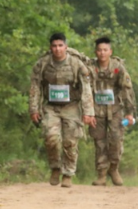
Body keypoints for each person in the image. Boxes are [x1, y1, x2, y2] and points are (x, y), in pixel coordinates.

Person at [29, 33, 95, 188]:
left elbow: (86, 89)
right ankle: (55, 168)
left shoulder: (77, 64)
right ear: (50, 48)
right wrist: (33, 109)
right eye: (54, 46)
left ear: (66, 47)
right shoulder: (43, 64)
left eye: (60, 46)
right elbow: (35, 87)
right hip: (51, 106)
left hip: (71, 106)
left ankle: (68, 174)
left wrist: (88, 112)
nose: (57, 49)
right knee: (51, 138)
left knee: (70, 141)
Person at [87, 36, 136, 186]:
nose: (102, 53)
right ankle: (101, 173)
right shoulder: (90, 67)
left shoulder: (118, 67)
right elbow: (84, 90)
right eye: (99, 50)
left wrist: (130, 112)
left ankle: (114, 168)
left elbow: (127, 89)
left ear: (110, 51)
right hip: (96, 110)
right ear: (96, 52)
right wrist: (88, 112)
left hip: (115, 110)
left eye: (105, 50)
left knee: (116, 139)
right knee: (99, 142)